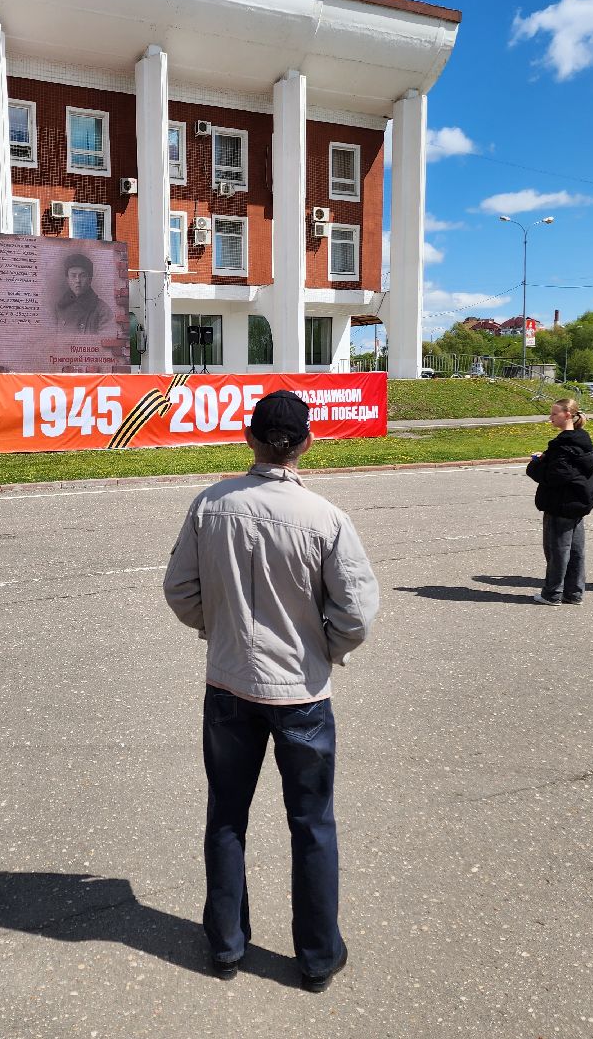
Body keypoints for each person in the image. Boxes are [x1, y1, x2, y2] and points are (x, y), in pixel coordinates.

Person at [163, 390, 379, 993]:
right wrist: (325, 648)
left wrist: (219, 630)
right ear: (306, 443)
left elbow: (180, 590)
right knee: (311, 823)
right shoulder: (326, 518)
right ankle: (315, 956)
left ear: (249, 437)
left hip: (229, 683)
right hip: (302, 694)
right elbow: (357, 611)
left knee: (227, 816)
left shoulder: (210, 506)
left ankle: (226, 945)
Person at [526, 398, 593, 606]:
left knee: (557, 549)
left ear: (568, 415)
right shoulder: (583, 441)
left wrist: (536, 465)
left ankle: (553, 593)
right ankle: (574, 592)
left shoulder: (563, 445)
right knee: (576, 550)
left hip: (562, 503)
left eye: (554, 414)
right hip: (578, 502)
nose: (551, 418)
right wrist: (546, 459)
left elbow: (556, 475)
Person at [54, 253, 113, 333]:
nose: (78, 280)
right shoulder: (59, 308)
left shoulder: (103, 310)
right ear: (67, 279)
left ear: (90, 279)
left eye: (83, 275)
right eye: (73, 276)